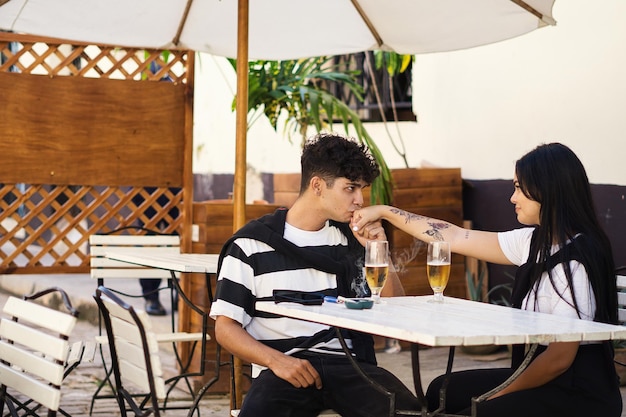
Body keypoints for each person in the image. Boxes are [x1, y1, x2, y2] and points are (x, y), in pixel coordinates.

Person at [351, 142, 622, 417]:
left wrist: (498, 394)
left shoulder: (576, 262)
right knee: (441, 390)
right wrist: (385, 212)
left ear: (547, 190)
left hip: (576, 392)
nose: (512, 198)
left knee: (479, 410)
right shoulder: (535, 241)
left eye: (519, 188)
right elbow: (453, 236)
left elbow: (559, 360)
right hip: (539, 374)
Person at [209, 133, 420, 417]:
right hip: (282, 371)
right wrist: (277, 362)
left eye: (362, 190)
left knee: (410, 411)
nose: (360, 200)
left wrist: (378, 252)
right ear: (318, 186)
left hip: (351, 367)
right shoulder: (250, 245)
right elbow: (225, 328)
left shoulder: (353, 242)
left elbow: (398, 313)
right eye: (350, 188)